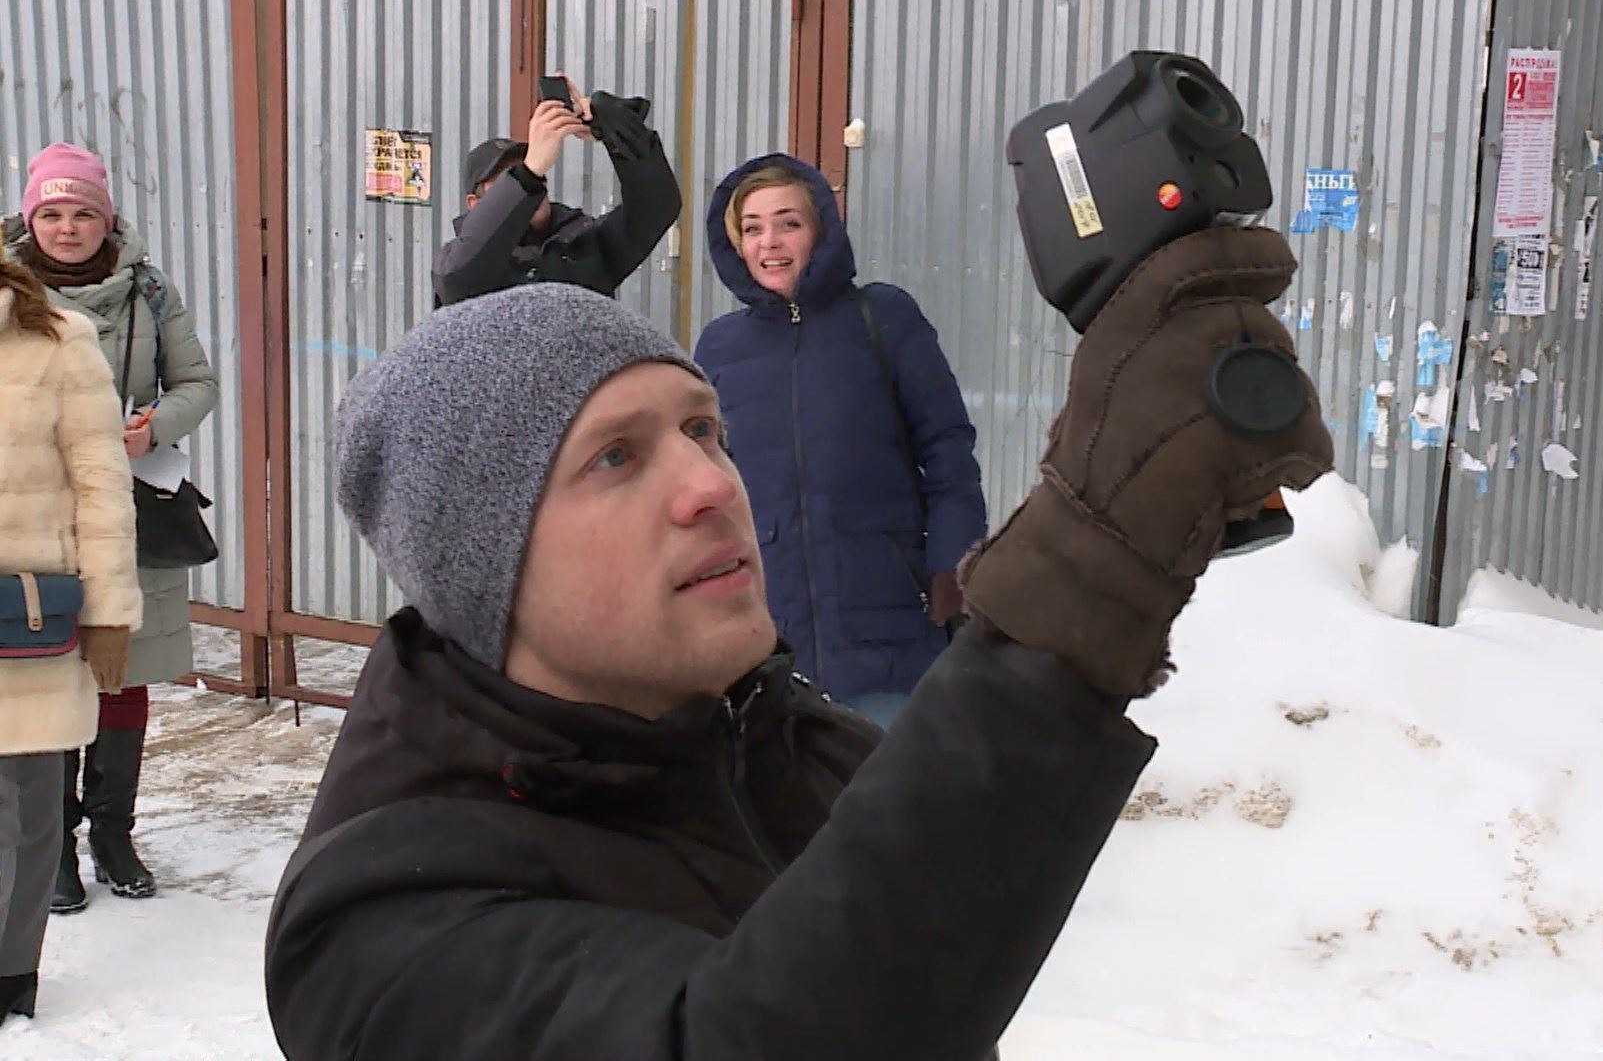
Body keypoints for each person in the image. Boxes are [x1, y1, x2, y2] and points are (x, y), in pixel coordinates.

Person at [264, 210, 1332, 1058]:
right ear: (482, 559)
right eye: (614, 458)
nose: (712, 486)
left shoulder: (790, 750)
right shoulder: (377, 927)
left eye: (702, 430)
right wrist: (1081, 583)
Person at [695, 154, 986, 726]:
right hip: (770, 649)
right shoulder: (718, 348)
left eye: (788, 223)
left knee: (895, 806)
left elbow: (948, 451)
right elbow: (706, 483)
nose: (770, 242)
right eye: (752, 228)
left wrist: (955, 563)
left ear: (819, 230)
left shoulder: (884, 316)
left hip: (890, 632)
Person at [4, 142, 220, 909]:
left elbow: (197, 381)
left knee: (119, 671)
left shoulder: (149, 293)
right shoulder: (8, 292)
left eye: (83, 213)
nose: (68, 228)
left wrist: (154, 426)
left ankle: (113, 832)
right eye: (52, 213)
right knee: (46, 670)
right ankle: (50, 842)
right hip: (34, 519)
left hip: (128, 513)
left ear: (107, 218)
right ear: (32, 219)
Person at [0, 258, 143, 1025]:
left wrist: (110, 611)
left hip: (20, 623)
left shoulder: (58, 341)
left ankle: (9, 970)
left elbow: (101, 482)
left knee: (21, 810)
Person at [432, 79, 680, 307]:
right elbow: (457, 279)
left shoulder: (584, 245)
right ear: (474, 203)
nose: (532, 189)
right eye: (505, 181)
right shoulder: (459, 263)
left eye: (535, 174)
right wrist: (527, 175)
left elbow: (656, 206)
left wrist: (617, 130)